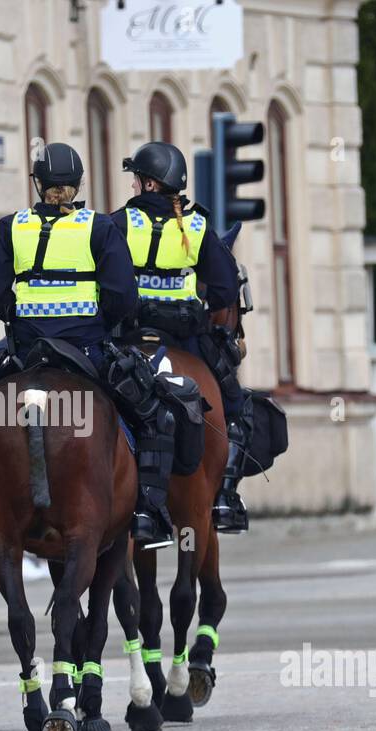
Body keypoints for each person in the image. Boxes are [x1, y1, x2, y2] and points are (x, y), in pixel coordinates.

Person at [0, 141, 177, 549]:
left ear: (38, 184)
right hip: (87, 352)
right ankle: (147, 512)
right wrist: (96, 321)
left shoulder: (10, 226)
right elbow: (122, 297)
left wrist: (20, 315)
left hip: (26, 353)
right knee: (153, 413)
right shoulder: (100, 227)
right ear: (78, 183)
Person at [113, 141, 250, 532]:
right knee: (234, 403)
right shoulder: (197, 226)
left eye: (137, 180)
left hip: (130, 337)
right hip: (183, 338)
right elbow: (225, 289)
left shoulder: (118, 223)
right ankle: (225, 496)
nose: (134, 186)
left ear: (151, 185)